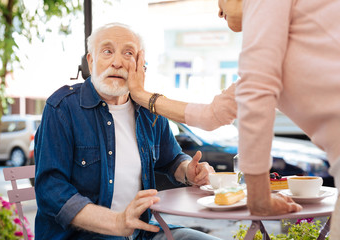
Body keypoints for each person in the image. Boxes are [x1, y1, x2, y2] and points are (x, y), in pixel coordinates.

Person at [129, 0, 340, 238]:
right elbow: (212, 115)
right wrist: (141, 95)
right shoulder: (283, 44)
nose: (218, 11)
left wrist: (259, 196)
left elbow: (256, 94)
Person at [34, 22, 221, 240]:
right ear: (91, 60)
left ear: (140, 63)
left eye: (128, 53)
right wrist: (116, 222)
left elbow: (171, 160)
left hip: (142, 232)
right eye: (107, 51)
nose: (117, 62)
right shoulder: (62, 108)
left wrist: (188, 170)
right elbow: (51, 190)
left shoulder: (149, 110)